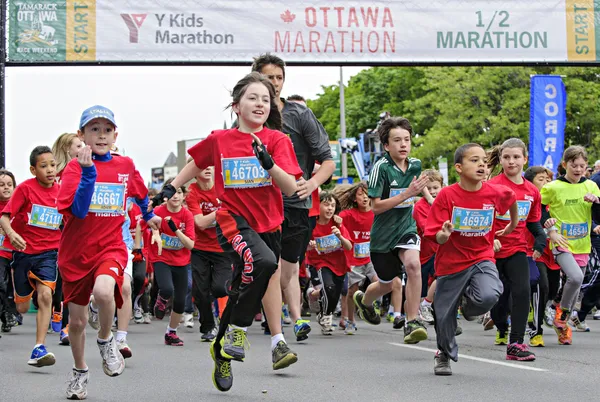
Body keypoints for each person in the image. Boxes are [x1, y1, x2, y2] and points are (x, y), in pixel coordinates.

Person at [156, 72, 303, 392]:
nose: (260, 104)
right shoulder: (220, 140)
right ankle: (239, 328)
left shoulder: (278, 141)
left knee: (247, 281)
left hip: (269, 223)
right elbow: (195, 164)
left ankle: (222, 348)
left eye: (266, 99)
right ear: (236, 106)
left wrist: (269, 164)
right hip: (233, 220)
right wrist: (172, 187)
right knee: (265, 264)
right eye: (253, 97)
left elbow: (291, 187)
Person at [57, 105, 161, 400]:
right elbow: (76, 210)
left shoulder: (125, 165)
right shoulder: (74, 169)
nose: (101, 136)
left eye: (107, 130)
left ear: (115, 134)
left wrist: (148, 215)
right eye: (94, 129)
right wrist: (89, 173)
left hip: (111, 246)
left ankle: (106, 340)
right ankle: (80, 371)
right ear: (82, 135)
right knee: (76, 323)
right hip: (76, 254)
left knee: (105, 292)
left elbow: (141, 194)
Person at [252, 54, 335, 343]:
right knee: (268, 266)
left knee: (288, 271)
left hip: (296, 205)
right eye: (268, 77)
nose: (274, 84)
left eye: (278, 78)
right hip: (261, 205)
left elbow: (328, 161)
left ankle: (282, 313)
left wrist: (311, 184)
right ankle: (284, 324)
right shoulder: (250, 116)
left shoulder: (299, 115)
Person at [424, 143, 518, 376]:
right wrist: (443, 236)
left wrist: (512, 225)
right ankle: (443, 355)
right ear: (458, 167)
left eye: (484, 162)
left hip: (481, 257)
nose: (482, 165)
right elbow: (434, 233)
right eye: (474, 160)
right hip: (451, 264)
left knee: (490, 293)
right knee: (444, 316)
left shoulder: (494, 191)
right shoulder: (447, 195)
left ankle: (468, 307)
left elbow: (511, 198)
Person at [352, 116, 430, 344]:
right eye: (397, 140)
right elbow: (375, 207)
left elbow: (419, 185)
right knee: (387, 284)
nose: (403, 145)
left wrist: (433, 202)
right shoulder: (381, 169)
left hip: (406, 228)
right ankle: (364, 302)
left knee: (414, 266)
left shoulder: (415, 164)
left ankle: (412, 320)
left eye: (406, 139)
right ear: (386, 145)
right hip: (383, 237)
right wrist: (407, 194)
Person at [0, 146, 62, 367]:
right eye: (44, 166)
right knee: (22, 308)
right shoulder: (25, 189)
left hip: (49, 253)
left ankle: (39, 348)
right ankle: (22, 296)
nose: (50, 170)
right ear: (33, 169)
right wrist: (12, 233)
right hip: (23, 252)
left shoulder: (62, 192)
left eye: (53, 165)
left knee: (46, 296)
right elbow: (5, 217)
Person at [485, 138, 545, 361]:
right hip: (488, 251)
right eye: (507, 157)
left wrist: (541, 237)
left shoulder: (532, 191)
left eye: (516, 157)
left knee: (522, 291)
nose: (511, 162)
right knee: (494, 297)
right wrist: (490, 238)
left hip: (517, 249)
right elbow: (480, 218)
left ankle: (516, 344)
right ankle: (499, 322)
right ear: (500, 160)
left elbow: (532, 221)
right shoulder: (491, 187)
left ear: (525, 159)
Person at [540, 145, 600, 345]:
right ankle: (563, 312)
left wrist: (597, 202)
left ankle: (561, 325)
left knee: (575, 285)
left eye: (582, 166)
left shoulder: (591, 186)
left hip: (582, 243)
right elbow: (539, 210)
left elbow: (597, 217)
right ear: (565, 164)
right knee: (574, 277)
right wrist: (550, 229)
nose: (578, 169)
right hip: (560, 242)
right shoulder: (553, 187)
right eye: (574, 165)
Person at [146, 180, 195, 346]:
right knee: (167, 288)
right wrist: (153, 229)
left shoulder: (187, 215)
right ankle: (161, 299)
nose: (176, 196)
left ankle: (171, 333)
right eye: (172, 193)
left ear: (184, 196)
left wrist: (175, 230)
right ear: (166, 196)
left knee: (181, 300)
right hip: (161, 257)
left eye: (179, 192)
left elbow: (190, 244)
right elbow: (145, 221)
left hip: (181, 260)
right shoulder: (159, 211)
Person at [186, 165, 229, 342]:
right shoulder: (192, 193)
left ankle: (225, 319)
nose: (208, 169)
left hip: (223, 246)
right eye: (203, 166)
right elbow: (201, 223)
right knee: (200, 291)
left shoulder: (222, 187)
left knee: (220, 287)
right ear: (194, 172)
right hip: (200, 248)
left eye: (210, 166)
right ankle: (208, 326)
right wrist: (220, 212)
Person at [51, 133, 83, 344]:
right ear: (67, 149)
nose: (82, 148)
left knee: (73, 279)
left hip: (78, 231)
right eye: (78, 145)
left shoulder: (85, 170)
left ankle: (69, 323)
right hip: (55, 232)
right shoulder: (55, 173)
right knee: (58, 278)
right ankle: (57, 314)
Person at [306, 192, 352, 334]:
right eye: (326, 204)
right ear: (317, 206)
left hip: (339, 263)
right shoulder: (311, 224)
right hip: (320, 262)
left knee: (334, 294)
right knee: (329, 287)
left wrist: (339, 236)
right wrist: (310, 245)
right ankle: (326, 316)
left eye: (332, 205)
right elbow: (304, 246)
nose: (330, 208)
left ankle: (323, 311)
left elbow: (349, 246)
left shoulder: (337, 223)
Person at [523, 166, 559, 347]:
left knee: (553, 288)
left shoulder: (552, 201)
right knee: (541, 284)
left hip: (552, 250)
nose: (546, 182)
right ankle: (535, 330)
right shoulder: (526, 200)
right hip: (532, 249)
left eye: (547, 179)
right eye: (541, 179)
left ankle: (541, 308)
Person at [338, 182, 375, 334]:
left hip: (372, 256)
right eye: (361, 194)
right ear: (354, 198)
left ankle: (367, 305)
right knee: (352, 291)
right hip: (353, 258)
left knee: (380, 282)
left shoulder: (376, 212)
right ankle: (350, 320)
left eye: (367, 194)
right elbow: (334, 217)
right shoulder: (348, 215)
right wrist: (336, 219)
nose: (365, 197)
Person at [412, 169, 444, 325]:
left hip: (441, 252)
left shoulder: (445, 202)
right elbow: (428, 230)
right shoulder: (420, 206)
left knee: (443, 278)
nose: (432, 192)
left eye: (435, 187)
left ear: (441, 186)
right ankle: (412, 319)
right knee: (419, 289)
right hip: (424, 254)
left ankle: (429, 306)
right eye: (429, 188)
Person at [0, 169, 17, 335]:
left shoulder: (18, 204)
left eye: (9, 185)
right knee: (1, 283)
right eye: (2, 185)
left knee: (14, 286)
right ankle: (6, 313)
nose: (6, 188)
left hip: (16, 252)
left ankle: (11, 313)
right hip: (0, 254)